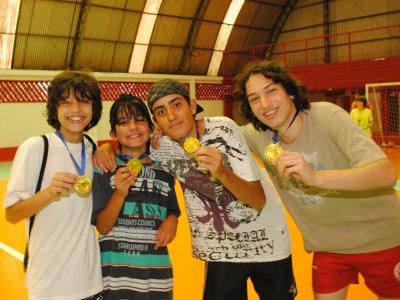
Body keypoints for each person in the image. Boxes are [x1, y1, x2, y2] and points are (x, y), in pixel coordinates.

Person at [94, 79, 297, 300]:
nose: (171, 116)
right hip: (221, 253)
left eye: (177, 105)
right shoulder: (162, 148)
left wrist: (221, 172)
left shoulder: (223, 129)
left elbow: (257, 200)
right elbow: (132, 147)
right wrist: (104, 149)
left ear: (192, 106)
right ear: (157, 123)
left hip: (267, 244)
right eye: (161, 111)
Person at [234, 60, 400, 300]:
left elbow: (385, 173)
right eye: (254, 98)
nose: (265, 104)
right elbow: (213, 131)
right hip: (328, 248)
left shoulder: (326, 116)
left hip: (382, 239)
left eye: (271, 91)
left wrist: (316, 177)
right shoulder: (259, 136)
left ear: (289, 91)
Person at [4, 70, 103, 299]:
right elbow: (12, 214)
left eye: (84, 102)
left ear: (94, 108)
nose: (76, 110)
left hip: (90, 280)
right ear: (55, 109)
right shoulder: (36, 148)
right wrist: (49, 193)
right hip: (50, 283)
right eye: (66, 103)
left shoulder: (92, 148)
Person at [92, 93, 180, 300]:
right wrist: (120, 193)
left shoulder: (164, 167)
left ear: (151, 127)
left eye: (140, 119)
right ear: (114, 132)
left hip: (157, 277)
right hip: (114, 278)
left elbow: (172, 208)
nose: (133, 127)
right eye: (123, 122)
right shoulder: (105, 167)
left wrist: (172, 220)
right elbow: (103, 227)